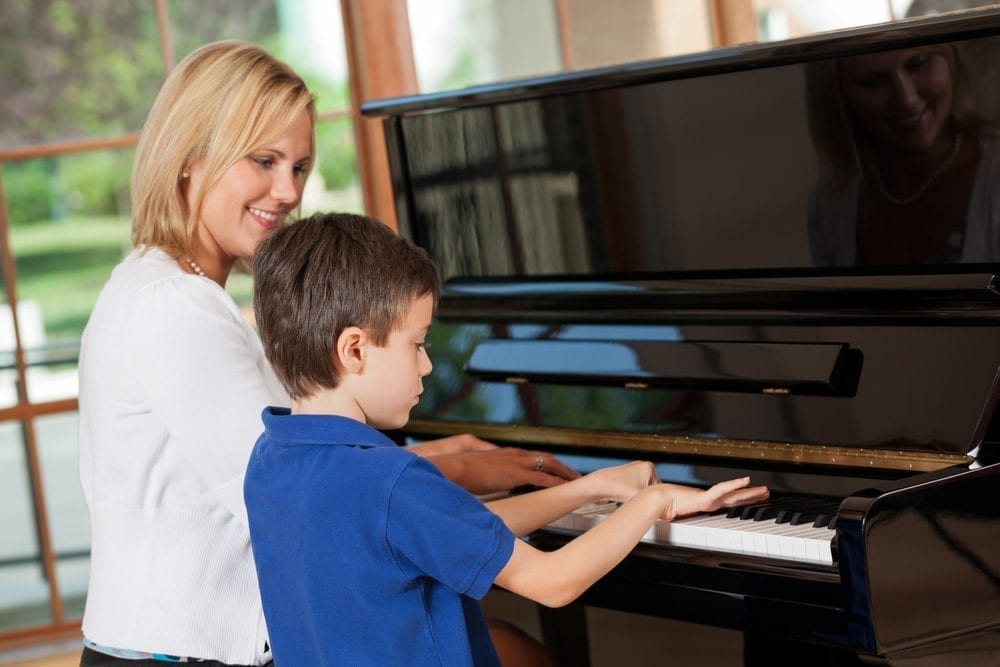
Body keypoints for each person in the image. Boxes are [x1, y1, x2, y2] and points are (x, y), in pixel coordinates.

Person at [76, 40, 576, 667]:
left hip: (202, 648)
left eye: (300, 167)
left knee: (505, 647)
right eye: (264, 161)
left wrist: (448, 457)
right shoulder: (176, 305)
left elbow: (306, 462)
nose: (287, 191)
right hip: (181, 656)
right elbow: (301, 494)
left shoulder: (165, 287)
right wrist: (467, 472)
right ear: (189, 159)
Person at [244, 211, 770, 666]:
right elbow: (553, 582)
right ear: (354, 350)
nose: (428, 365)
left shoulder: (273, 459)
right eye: (419, 344)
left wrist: (592, 489)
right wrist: (652, 500)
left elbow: (449, 528)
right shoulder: (389, 478)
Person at [805, 42, 1000, 266]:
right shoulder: (831, 203)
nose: (906, 99)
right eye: (873, 82)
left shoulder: (992, 177)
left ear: (949, 59)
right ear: (837, 94)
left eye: (917, 64)